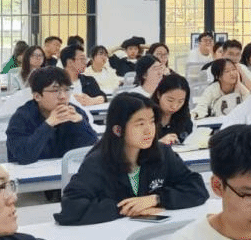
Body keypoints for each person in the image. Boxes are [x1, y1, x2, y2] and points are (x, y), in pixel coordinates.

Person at [55, 94, 208, 225]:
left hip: (149, 234)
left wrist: (156, 199)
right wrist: (125, 208)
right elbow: (71, 207)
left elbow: (196, 188)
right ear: (118, 130)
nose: (149, 130)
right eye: (140, 124)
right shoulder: (97, 162)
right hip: (111, 238)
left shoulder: (162, 153)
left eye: (152, 121)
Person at [5, 66, 99, 165]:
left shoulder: (75, 113)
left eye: (67, 90)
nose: (63, 96)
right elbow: (23, 156)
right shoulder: (21, 117)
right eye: (55, 91)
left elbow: (93, 152)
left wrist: (81, 123)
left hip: (66, 171)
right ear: (37, 96)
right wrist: (49, 124)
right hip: (30, 173)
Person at [152, 73, 193, 145]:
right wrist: (159, 144)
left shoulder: (184, 118)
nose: (174, 106)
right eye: (170, 100)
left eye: (180, 101)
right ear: (158, 95)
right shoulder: (146, 116)